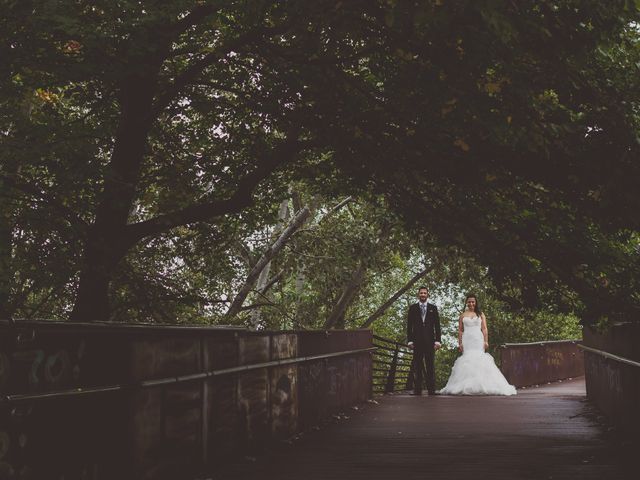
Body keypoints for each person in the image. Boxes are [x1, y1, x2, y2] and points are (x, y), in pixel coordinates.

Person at [439, 294, 516, 395]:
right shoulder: (463, 315)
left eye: (473, 302)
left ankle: (483, 384)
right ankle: (467, 385)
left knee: (479, 359)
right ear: (467, 303)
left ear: (475, 303)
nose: (471, 303)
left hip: (477, 339)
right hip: (467, 339)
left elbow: (484, 328)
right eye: (469, 301)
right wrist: (460, 343)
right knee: (467, 360)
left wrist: (486, 341)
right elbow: (460, 330)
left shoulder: (480, 314)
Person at [406, 286, 441, 395]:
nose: (423, 295)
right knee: (417, 366)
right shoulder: (413, 308)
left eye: (425, 293)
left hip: (430, 341)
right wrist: (410, 341)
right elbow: (409, 326)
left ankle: (431, 390)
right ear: (418, 294)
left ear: (427, 295)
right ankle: (417, 390)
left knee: (430, 365)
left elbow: (437, 326)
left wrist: (438, 341)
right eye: (421, 293)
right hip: (417, 341)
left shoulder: (433, 308)